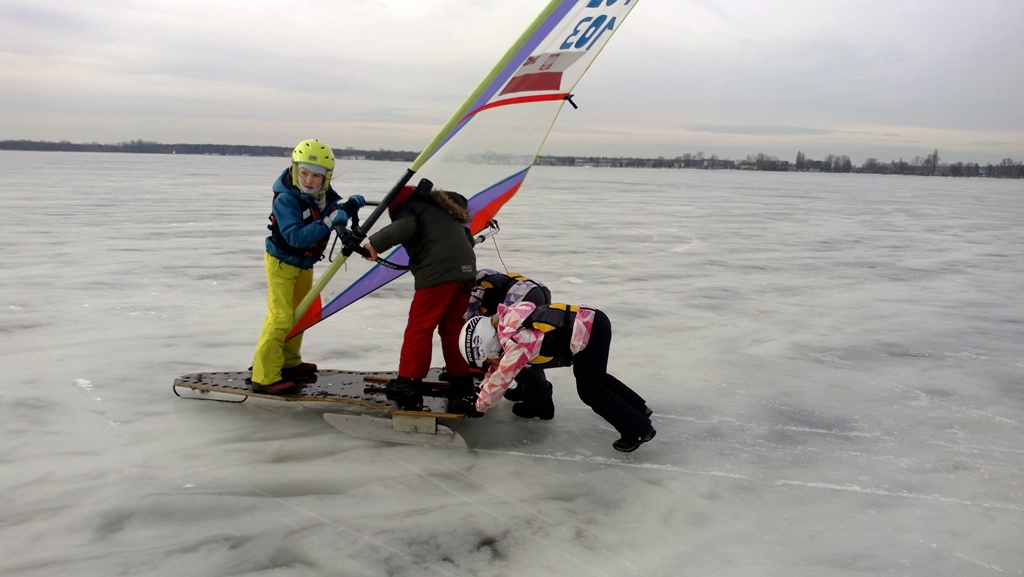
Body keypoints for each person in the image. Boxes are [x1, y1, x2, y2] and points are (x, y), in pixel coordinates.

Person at [460, 302, 656, 452]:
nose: (492, 364)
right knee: (595, 378)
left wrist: (479, 407)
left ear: (487, 345)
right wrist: (481, 392)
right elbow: (497, 371)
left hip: (588, 332)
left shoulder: (516, 343)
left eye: (488, 360)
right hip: (593, 321)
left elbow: (502, 377)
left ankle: (638, 430)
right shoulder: (509, 320)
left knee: (591, 391)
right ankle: (639, 408)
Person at [250, 139, 365, 395]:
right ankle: (264, 375)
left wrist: (348, 206)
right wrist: (328, 222)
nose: (309, 180)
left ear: (326, 178)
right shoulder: (286, 200)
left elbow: (333, 212)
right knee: (280, 318)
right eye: (304, 173)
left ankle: (289, 363)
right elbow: (296, 237)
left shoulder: (322, 197)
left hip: (304, 264)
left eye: (316, 175)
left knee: (300, 313)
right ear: (294, 170)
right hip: (281, 263)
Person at [362, 178, 477, 409]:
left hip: (438, 273)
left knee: (420, 327)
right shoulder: (442, 210)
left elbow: (406, 228)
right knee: (452, 327)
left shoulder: (409, 208)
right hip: (466, 270)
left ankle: (408, 384)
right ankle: (462, 382)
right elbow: (468, 240)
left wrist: (374, 244)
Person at [465, 269, 555, 419]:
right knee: (528, 346)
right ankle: (525, 389)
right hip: (538, 291)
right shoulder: (486, 275)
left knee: (518, 349)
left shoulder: (474, 286)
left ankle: (541, 401)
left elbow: (471, 320)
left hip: (522, 298)